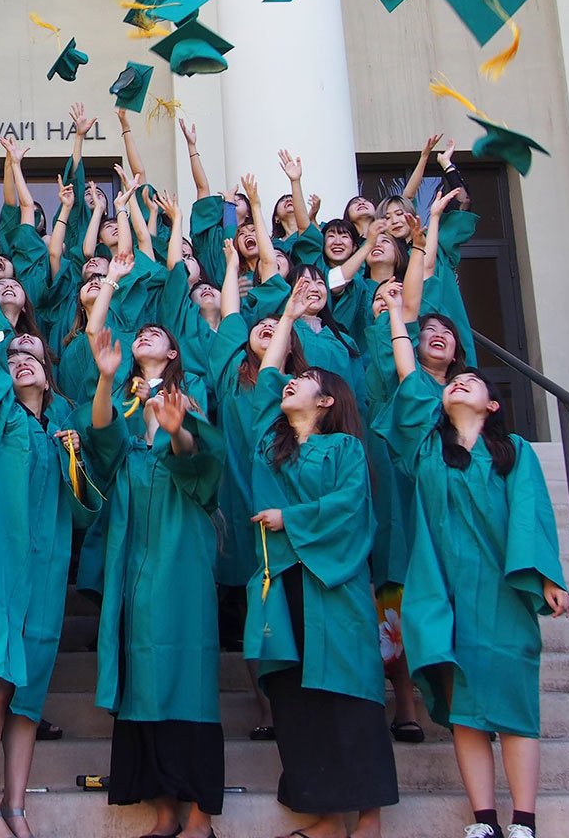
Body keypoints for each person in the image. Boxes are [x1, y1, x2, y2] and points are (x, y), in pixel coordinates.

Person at [387, 296, 569, 838]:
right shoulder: (427, 452)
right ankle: (485, 820)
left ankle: (525, 821)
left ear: (493, 404)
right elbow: (408, 373)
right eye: (452, 383)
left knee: (514, 707)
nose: (459, 384)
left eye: (471, 382)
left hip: (502, 595)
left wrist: (548, 577)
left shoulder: (514, 453)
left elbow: (531, 519)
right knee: (466, 712)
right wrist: (398, 313)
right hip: (445, 596)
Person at [0, 224, 100, 838]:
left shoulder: (60, 430)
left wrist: (74, 457)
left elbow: (84, 509)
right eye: (14, 358)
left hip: (42, 573)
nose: (21, 361)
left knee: (28, 697)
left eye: (32, 355)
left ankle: (16, 809)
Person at [245, 331, 398, 838]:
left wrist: (291, 518)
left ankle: (369, 819)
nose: (290, 381)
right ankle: (328, 818)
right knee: (298, 700)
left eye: (304, 379)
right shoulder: (271, 445)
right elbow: (265, 385)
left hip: (335, 587)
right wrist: (287, 315)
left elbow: (351, 508)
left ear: (327, 400)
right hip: (288, 583)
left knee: (351, 697)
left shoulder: (345, 448)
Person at [87, 329, 225, 838]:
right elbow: (102, 436)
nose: (145, 334)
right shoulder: (124, 416)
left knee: (186, 682)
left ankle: (200, 818)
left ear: (173, 353)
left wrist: (178, 427)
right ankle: (165, 812)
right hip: (133, 571)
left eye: (159, 334)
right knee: (142, 684)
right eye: (139, 331)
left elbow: (198, 457)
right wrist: (105, 378)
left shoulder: (189, 401)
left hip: (179, 564)